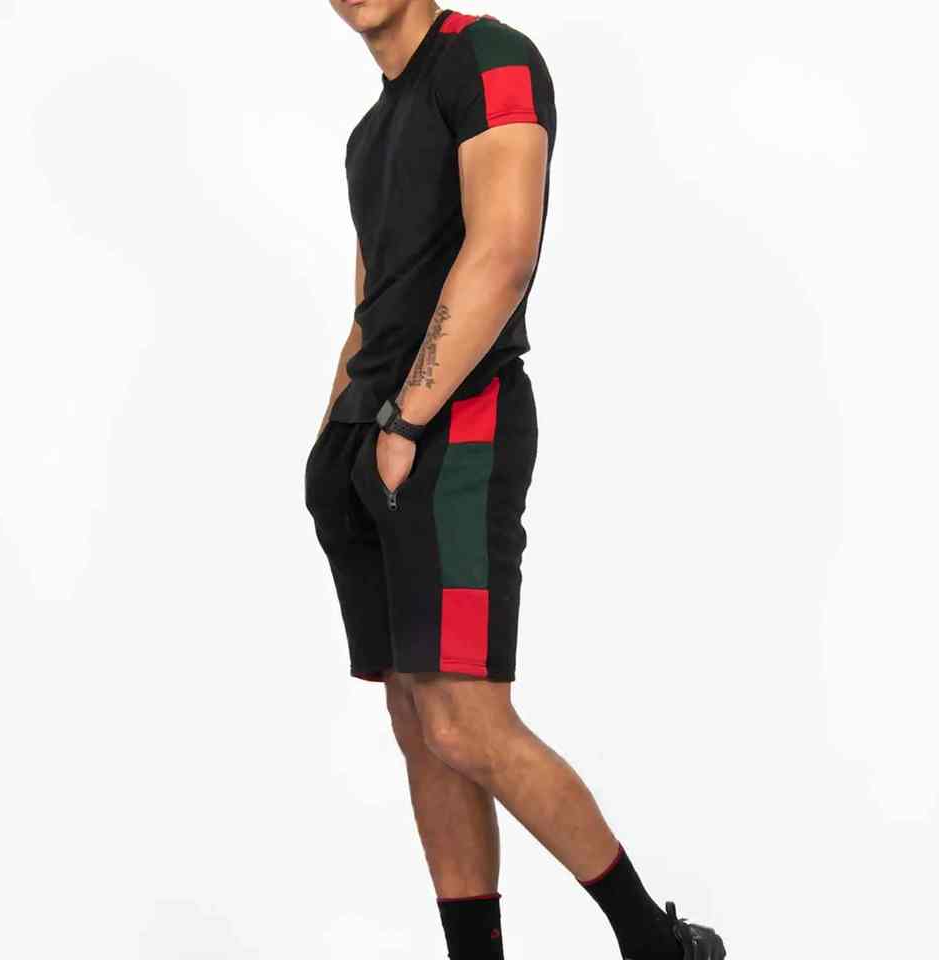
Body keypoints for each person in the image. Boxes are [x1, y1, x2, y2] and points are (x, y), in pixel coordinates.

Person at [306, 3, 727, 957]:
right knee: (417, 719)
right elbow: (372, 308)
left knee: (466, 720)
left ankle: (656, 943)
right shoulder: (369, 135)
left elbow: (502, 253)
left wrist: (407, 421)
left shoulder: (489, 58)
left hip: (458, 426)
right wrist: (331, 441)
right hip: (368, 445)